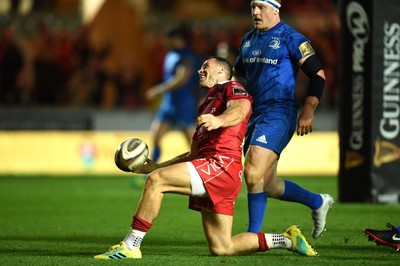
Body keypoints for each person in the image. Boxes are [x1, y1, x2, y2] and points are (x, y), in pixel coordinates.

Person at [94, 56, 317, 260]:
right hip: (217, 170)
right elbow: (192, 154)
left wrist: (219, 121)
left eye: (205, 67)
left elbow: (241, 108)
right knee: (222, 247)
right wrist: (156, 166)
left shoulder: (232, 87)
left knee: (157, 181)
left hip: (221, 165)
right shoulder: (207, 104)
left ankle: (131, 246)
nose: (200, 71)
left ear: (222, 70)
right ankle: (287, 239)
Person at [233, 0, 334, 237]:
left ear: (275, 9)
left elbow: (318, 75)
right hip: (254, 114)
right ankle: (317, 201)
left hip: (279, 113)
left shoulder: (292, 38)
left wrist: (308, 109)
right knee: (267, 184)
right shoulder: (248, 39)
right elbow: (239, 73)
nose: (255, 12)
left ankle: (252, 236)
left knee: (252, 171)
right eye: (252, 7)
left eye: (261, 7)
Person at [146, 24, 201, 162]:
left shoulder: (187, 55)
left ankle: (201, 168)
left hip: (183, 102)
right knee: (156, 135)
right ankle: (150, 170)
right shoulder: (170, 54)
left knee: (191, 141)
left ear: (177, 39)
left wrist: (158, 90)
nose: (165, 42)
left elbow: (181, 79)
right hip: (169, 102)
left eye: (167, 39)